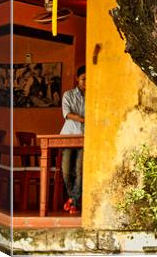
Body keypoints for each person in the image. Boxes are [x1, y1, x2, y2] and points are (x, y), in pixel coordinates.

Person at [60, 65, 85, 214]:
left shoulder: (93, 95)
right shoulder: (68, 95)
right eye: (83, 79)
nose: (86, 82)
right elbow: (67, 114)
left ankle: (73, 202)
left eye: (89, 79)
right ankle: (73, 198)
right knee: (66, 169)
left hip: (85, 136)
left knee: (80, 170)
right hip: (69, 135)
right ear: (77, 78)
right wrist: (83, 119)